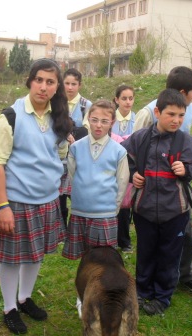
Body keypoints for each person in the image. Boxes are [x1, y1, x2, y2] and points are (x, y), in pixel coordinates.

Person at [0, 58, 72, 334]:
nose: (43, 87)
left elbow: (59, 154)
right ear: (29, 81)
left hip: (46, 200)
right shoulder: (10, 117)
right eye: (39, 80)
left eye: (50, 82)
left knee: (35, 255)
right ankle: (9, 307)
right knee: (12, 258)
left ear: (57, 86)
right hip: (15, 201)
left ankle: (24, 298)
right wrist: (3, 206)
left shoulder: (59, 116)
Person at [122, 88, 192, 315]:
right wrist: (133, 174)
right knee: (146, 252)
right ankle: (142, 292)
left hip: (175, 212)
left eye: (181, 115)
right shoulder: (140, 138)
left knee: (169, 256)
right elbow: (121, 159)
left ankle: (162, 297)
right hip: (144, 209)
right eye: (171, 114)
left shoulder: (185, 141)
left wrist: (187, 169)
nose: (176, 120)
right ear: (158, 112)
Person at [62, 99, 129, 260]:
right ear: (88, 119)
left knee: (103, 258)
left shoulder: (119, 151)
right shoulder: (76, 148)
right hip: (80, 211)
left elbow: (122, 182)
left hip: (105, 213)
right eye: (94, 120)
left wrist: (114, 208)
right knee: (85, 257)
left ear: (112, 122)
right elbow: (73, 175)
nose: (99, 125)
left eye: (104, 121)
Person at [60, 68, 93, 227]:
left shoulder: (86, 105)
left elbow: (87, 131)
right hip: (57, 157)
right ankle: (60, 229)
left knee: (77, 194)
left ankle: (79, 226)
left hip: (78, 157)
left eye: (74, 84)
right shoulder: (56, 102)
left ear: (79, 85)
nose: (70, 87)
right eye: (67, 83)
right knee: (58, 196)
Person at [111, 85, 136, 253]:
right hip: (111, 163)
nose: (128, 102)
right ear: (116, 100)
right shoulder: (111, 118)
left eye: (131, 98)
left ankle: (124, 241)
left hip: (130, 163)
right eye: (124, 98)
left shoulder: (137, 118)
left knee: (126, 202)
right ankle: (109, 237)